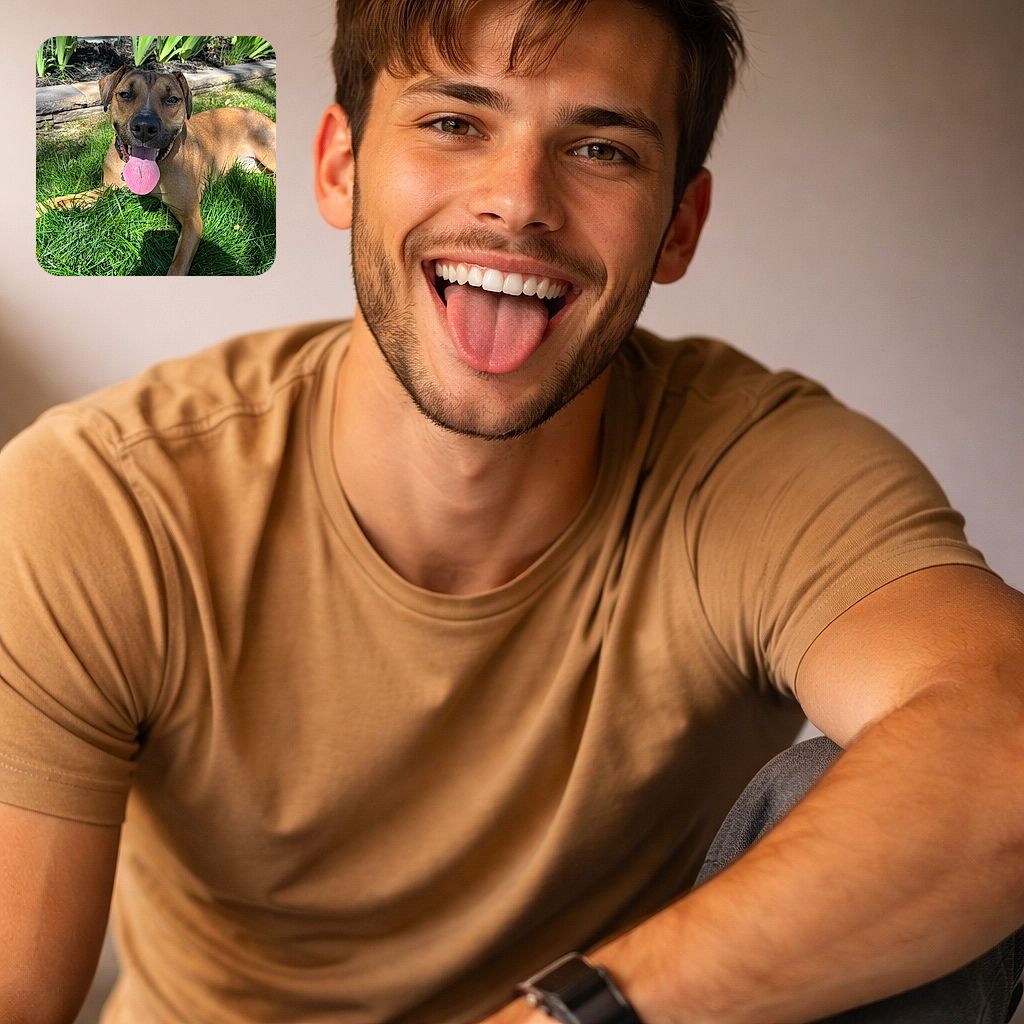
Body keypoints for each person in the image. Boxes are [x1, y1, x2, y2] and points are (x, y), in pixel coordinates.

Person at [1, 1, 1022, 1022]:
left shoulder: (756, 466)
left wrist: (573, 1015)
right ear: (337, 166)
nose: (517, 201)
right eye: (455, 123)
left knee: (897, 789)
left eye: (600, 148)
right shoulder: (104, 501)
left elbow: (1004, 737)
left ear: (679, 225)